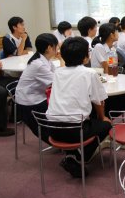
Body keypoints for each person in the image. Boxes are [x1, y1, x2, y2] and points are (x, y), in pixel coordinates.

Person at [46, 37, 111, 178]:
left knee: (86, 118)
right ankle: (80, 157)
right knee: (106, 125)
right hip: (76, 130)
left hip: (51, 128)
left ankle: (72, 154)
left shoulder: (58, 72)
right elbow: (99, 101)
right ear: (85, 57)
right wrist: (103, 118)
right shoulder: (89, 73)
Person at [16, 33, 62, 143]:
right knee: (58, 115)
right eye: (56, 46)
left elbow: (58, 75)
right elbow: (59, 82)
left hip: (38, 96)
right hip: (29, 101)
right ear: (49, 48)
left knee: (60, 109)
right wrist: (62, 59)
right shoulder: (39, 64)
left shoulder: (45, 60)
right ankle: (61, 142)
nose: (58, 48)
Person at [91, 23, 125, 115]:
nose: (118, 33)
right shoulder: (99, 47)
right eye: (116, 31)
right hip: (101, 80)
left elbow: (114, 67)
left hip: (110, 77)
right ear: (111, 35)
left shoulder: (112, 48)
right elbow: (106, 68)